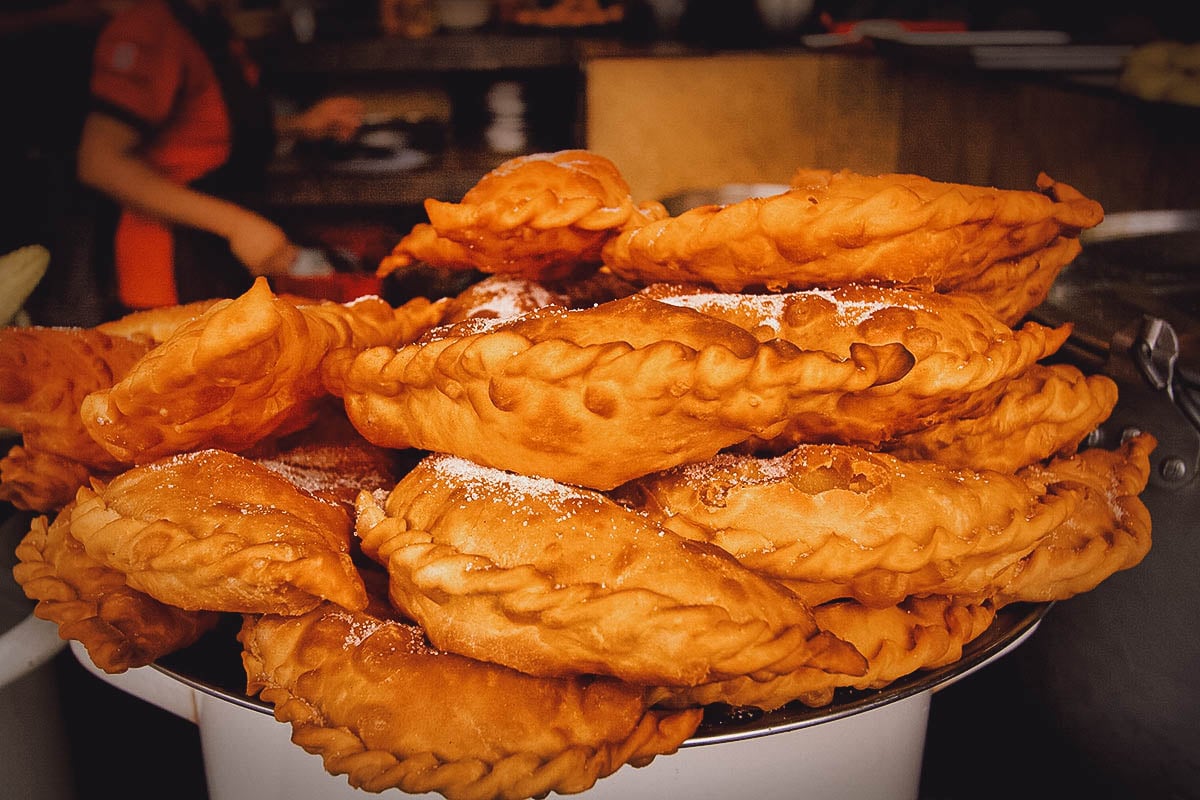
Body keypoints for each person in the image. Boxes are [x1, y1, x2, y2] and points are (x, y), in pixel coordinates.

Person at [76, 0, 363, 310]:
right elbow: (99, 161)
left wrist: (299, 125)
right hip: (170, 273)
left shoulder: (209, 25)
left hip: (221, 257)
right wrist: (238, 226)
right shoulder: (148, 28)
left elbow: (204, 129)